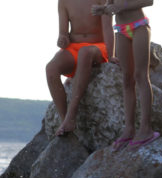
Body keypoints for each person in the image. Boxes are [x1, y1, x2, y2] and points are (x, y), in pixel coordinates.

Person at [93, 0, 159, 150]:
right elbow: (111, 4)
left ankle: (146, 128)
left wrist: (120, 7)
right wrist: (103, 9)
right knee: (127, 80)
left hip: (139, 26)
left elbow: (149, 1)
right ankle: (129, 129)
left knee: (141, 76)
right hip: (121, 30)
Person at [46, 0, 113, 136]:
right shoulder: (64, 2)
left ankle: (71, 115)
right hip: (74, 47)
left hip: (98, 46)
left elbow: (108, 28)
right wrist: (62, 39)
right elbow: (63, 33)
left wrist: (112, 55)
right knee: (51, 68)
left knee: (85, 52)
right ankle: (64, 119)